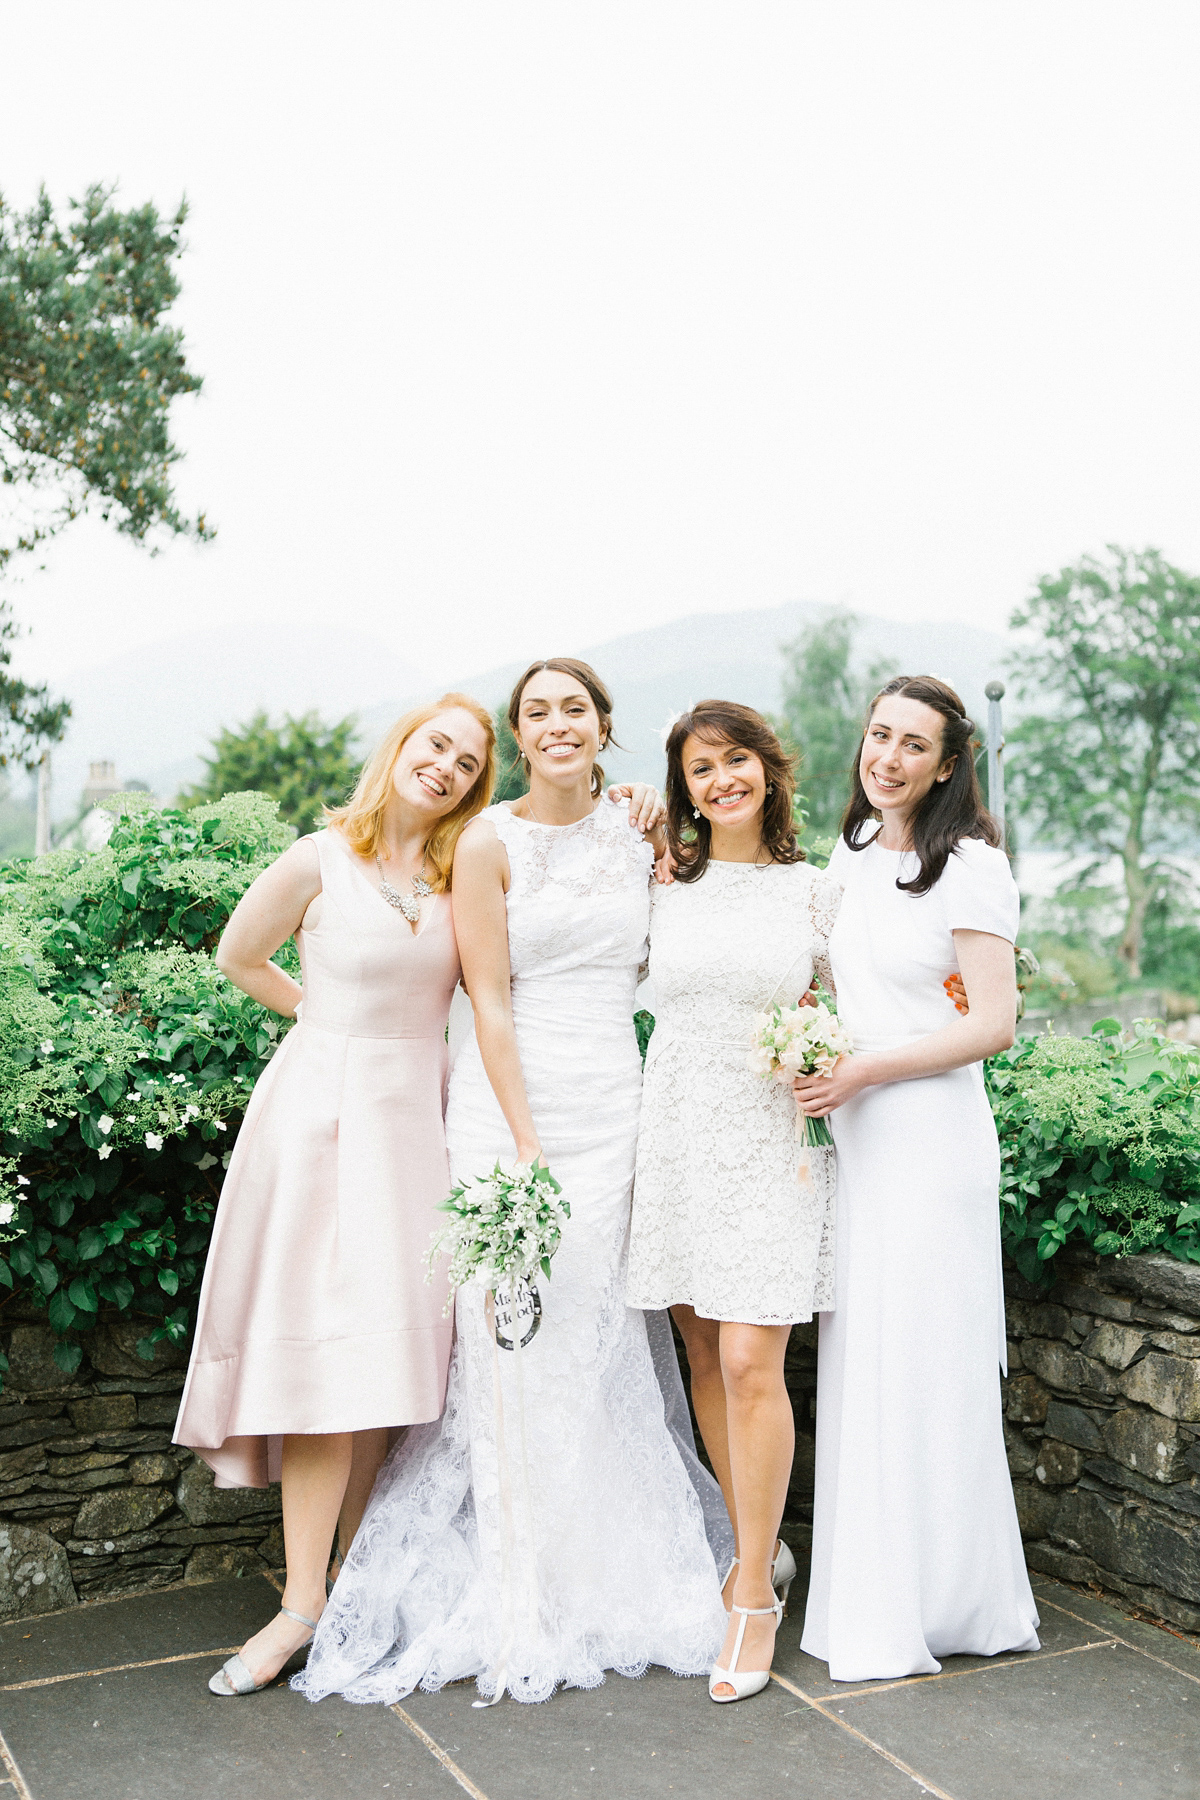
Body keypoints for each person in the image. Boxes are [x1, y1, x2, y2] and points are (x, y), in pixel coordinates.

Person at [295, 658, 729, 1708]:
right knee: (509, 1341)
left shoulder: (641, 833)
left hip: (616, 1102)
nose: (557, 724)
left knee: (596, 1331)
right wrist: (526, 1147)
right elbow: (488, 1002)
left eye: (574, 708)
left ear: (604, 727)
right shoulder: (488, 843)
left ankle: (604, 1557)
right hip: (513, 1111)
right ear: (519, 742)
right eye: (536, 714)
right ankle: (517, 1575)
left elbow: (684, 939)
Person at [175, 694, 496, 1696]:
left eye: (467, 762)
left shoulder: (461, 877)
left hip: (418, 1135)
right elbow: (237, 956)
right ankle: (302, 1606)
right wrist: (325, 1018)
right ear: (401, 747)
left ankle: (365, 1586)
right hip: (318, 1126)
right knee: (324, 1361)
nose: (445, 766)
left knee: (396, 1367)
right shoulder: (319, 859)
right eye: (434, 745)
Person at [795, 675, 1040, 1682]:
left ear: (947, 764)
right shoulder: (852, 850)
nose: (887, 758)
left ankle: (948, 1601)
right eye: (878, 735)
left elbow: (990, 1023)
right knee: (872, 1359)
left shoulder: (971, 864)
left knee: (926, 1361)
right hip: (860, 1134)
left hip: (930, 1140)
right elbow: (828, 975)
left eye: (913, 746)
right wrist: (809, 1042)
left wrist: (864, 1067)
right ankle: (882, 1589)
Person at [625, 701, 840, 1703]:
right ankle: (754, 1543)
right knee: (703, 1348)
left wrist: (830, 1052)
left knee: (754, 1356)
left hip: (768, 1145)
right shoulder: (664, 883)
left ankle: (751, 1592)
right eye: (702, 768)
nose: (723, 779)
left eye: (737, 759)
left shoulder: (814, 892)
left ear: (769, 769)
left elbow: (867, 1000)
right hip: (672, 1133)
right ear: (686, 789)